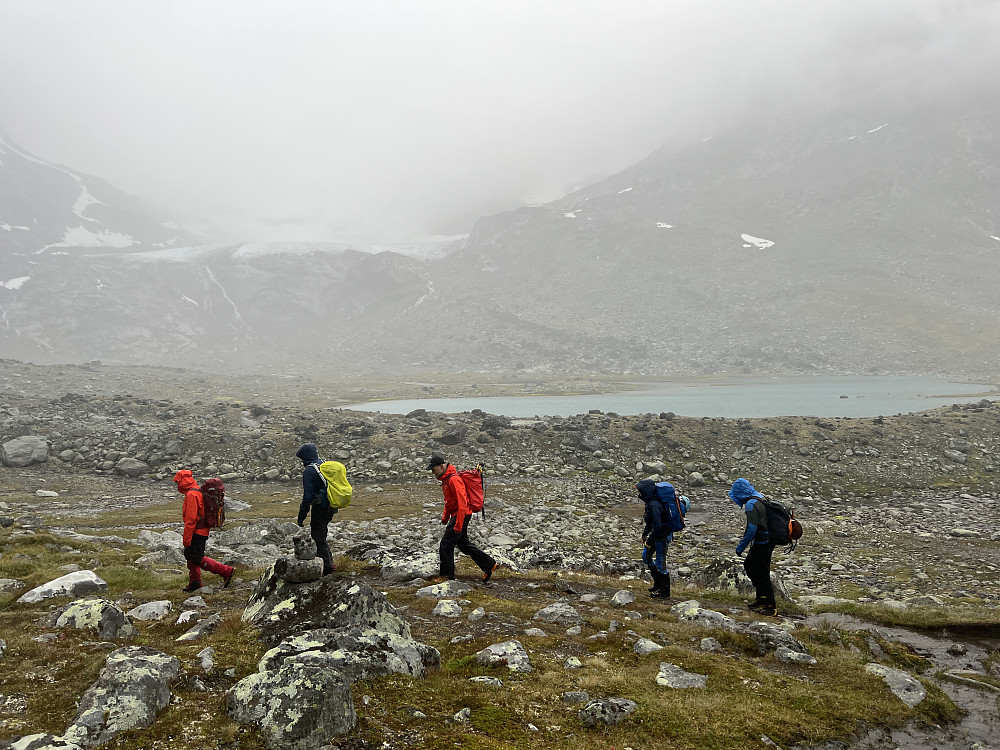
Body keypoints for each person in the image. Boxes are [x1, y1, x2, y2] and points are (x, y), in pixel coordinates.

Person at [428, 455, 498, 583]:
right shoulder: (446, 480)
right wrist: (445, 517)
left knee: (446, 544)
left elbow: (462, 503)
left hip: (462, 515)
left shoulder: (454, 480)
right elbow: (449, 502)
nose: (433, 472)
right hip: (459, 515)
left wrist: (458, 524)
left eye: (434, 469)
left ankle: (446, 577)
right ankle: (489, 565)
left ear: (442, 466)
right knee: (464, 545)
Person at [174, 470, 234, 592]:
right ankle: (195, 582)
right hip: (202, 531)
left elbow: (191, 520)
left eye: (178, 482)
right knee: (191, 557)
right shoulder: (197, 490)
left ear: (183, 481)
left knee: (198, 558)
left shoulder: (192, 495)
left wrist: (186, 539)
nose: (177, 485)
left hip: (197, 532)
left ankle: (226, 571)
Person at [729, 477, 776, 616]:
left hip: (762, 542)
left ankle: (771, 606)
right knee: (753, 566)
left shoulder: (751, 504)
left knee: (759, 570)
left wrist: (740, 547)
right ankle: (761, 598)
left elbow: (751, 529)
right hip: (768, 540)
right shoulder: (760, 497)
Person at [636, 479, 688, 598]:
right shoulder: (650, 502)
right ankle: (658, 584)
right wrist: (645, 534)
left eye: (639, 491)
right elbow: (651, 522)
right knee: (646, 556)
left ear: (645, 491)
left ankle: (664, 592)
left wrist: (649, 541)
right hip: (657, 535)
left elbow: (658, 526)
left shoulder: (654, 504)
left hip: (662, 536)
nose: (638, 493)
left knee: (660, 562)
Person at [295, 442, 338, 576]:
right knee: (322, 535)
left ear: (305, 458)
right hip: (330, 506)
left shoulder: (309, 471)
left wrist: (301, 516)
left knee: (318, 538)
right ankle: (330, 564)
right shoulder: (323, 465)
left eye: (302, 459)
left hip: (320, 507)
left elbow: (307, 497)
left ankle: (326, 569)